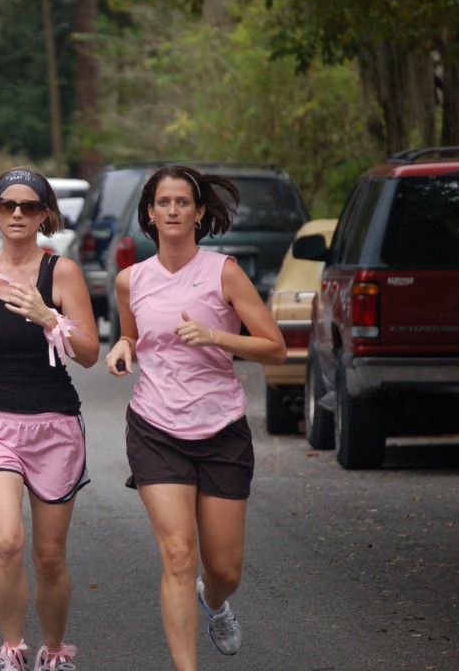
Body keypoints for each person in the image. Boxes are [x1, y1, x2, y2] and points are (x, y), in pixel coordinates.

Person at [104, 166, 285, 670]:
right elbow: (133, 335)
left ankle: (216, 601)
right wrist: (122, 345)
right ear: (150, 213)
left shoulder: (223, 271)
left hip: (221, 427)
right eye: (163, 203)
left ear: (199, 212)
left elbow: (275, 347)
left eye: (183, 202)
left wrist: (217, 337)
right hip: (155, 428)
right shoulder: (131, 279)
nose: (173, 211)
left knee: (223, 567)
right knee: (179, 556)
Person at [0, 167, 99, 671]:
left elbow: (90, 354)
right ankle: (11, 652)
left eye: (29, 206)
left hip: (55, 426)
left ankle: (54, 653)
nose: (17, 213)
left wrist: (47, 316)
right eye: (7, 204)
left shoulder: (63, 272)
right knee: (8, 540)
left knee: (49, 557)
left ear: (44, 215)